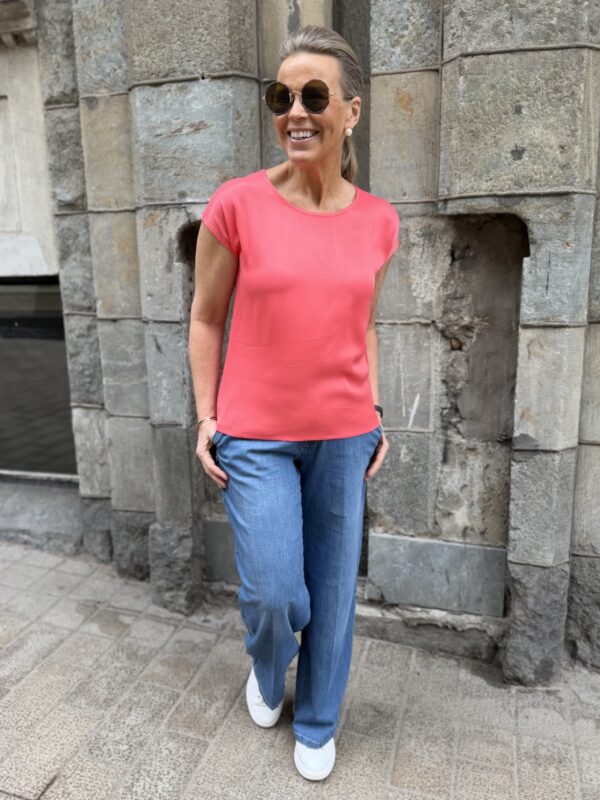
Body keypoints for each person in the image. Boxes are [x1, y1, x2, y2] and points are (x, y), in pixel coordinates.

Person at [188, 24, 400, 782]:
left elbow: (364, 324)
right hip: (254, 434)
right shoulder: (236, 204)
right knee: (276, 592)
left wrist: (375, 410)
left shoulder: (380, 221)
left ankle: (317, 720)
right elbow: (206, 317)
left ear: (351, 111)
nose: (296, 112)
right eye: (282, 97)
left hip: (344, 431)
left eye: (314, 95)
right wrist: (208, 417)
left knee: (334, 593)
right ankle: (267, 660)